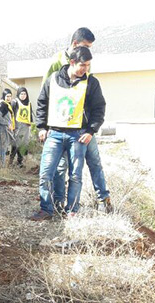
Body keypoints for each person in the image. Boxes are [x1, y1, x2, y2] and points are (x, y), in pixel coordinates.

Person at [30, 46, 106, 220]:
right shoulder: (54, 79)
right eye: (83, 65)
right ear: (72, 62)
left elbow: (99, 108)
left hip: (78, 135)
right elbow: (42, 102)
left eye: (88, 65)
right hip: (54, 134)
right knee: (46, 173)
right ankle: (46, 209)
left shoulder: (91, 83)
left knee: (75, 175)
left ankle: (72, 210)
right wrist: (41, 127)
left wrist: (91, 131)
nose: (86, 69)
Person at [44, 27, 112, 213]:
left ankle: (103, 199)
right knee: (60, 168)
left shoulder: (86, 65)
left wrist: (91, 128)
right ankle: (58, 203)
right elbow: (47, 94)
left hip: (84, 127)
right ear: (75, 44)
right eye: (86, 46)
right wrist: (44, 127)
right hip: (62, 128)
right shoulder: (56, 63)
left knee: (94, 163)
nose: (89, 51)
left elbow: (93, 97)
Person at [10, 86, 34, 167]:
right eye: (21, 94)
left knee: (23, 144)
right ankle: (10, 161)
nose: (23, 96)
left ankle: (20, 161)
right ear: (18, 94)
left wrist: (30, 123)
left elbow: (30, 115)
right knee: (16, 144)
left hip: (26, 127)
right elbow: (11, 114)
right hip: (17, 126)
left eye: (25, 94)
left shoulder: (29, 103)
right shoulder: (15, 102)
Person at [0, 88, 15, 167]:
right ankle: (0, 167)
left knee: (1, 148)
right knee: (2, 148)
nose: (9, 98)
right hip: (2, 129)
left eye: (10, 96)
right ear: (4, 96)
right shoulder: (2, 104)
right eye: (7, 96)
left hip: (5, 129)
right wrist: (7, 123)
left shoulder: (7, 105)